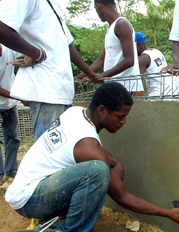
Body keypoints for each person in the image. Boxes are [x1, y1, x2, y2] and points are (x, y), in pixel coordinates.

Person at [6, 82, 179, 232]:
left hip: (32, 188)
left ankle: (53, 226)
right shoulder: (87, 145)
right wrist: (167, 213)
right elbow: (122, 197)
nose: (124, 122)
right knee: (97, 172)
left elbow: (103, 155)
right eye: (120, 116)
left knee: (104, 168)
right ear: (102, 110)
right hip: (30, 199)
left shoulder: (76, 113)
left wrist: (115, 166)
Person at [0, 0, 103, 141]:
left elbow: (67, 44)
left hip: (61, 90)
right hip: (45, 90)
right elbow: (3, 28)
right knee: (48, 153)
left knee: (62, 152)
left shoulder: (54, 4)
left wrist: (91, 74)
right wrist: (37, 53)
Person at [78, 0, 143, 94]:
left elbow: (129, 60)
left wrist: (102, 75)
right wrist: (79, 77)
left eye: (95, 9)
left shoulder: (121, 25)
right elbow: (101, 60)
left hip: (126, 89)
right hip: (114, 87)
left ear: (98, 5)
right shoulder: (111, 29)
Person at [0, 44, 21, 188]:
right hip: (10, 96)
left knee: (12, 137)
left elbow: (23, 59)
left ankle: (11, 173)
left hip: (10, 102)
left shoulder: (9, 48)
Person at [135, 32, 169, 97]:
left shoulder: (143, 58)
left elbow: (139, 82)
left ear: (138, 45)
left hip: (157, 95)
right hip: (169, 90)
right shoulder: (156, 51)